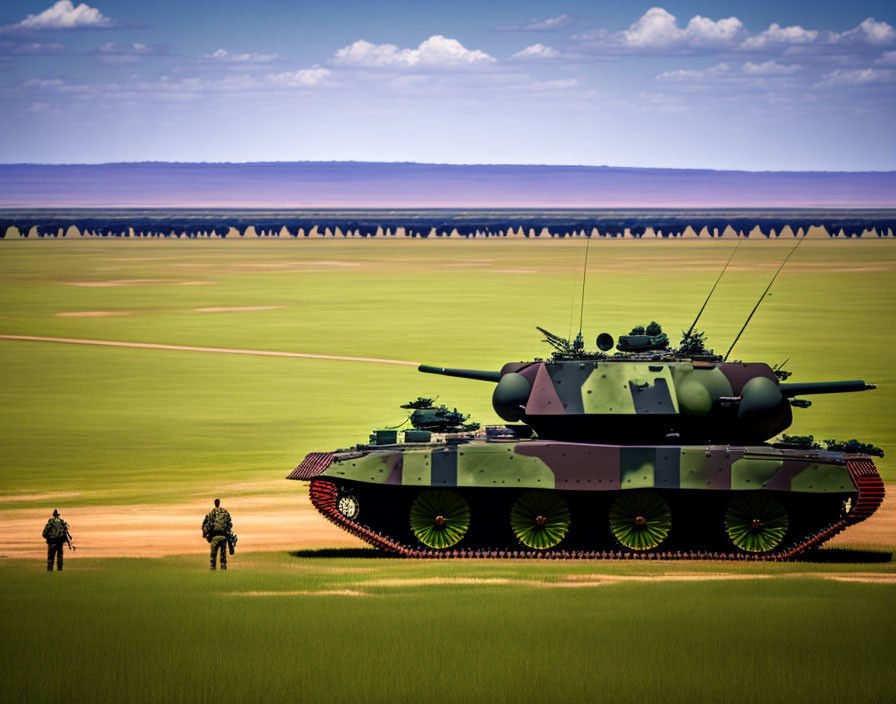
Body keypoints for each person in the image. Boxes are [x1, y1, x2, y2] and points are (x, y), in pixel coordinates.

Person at [202, 498, 233, 570]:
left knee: (213, 558)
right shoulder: (225, 512)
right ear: (219, 503)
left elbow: (208, 525)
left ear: (214, 503)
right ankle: (223, 569)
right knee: (223, 557)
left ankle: (213, 571)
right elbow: (230, 525)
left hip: (214, 538)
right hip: (223, 537)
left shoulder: (212, 513)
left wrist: (205, 534)